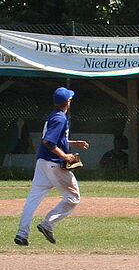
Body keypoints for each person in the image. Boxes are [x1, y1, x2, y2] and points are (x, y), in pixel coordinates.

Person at [15, 87, 89, 246]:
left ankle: (22, 234)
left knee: (33, 199)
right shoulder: (60, 118)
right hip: (54, 164)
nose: (70, 101)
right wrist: (65, 156)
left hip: (42, 163)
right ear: (67, 102)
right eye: (70, 99)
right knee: (73, 197)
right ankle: (48, 224)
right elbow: (48, 142)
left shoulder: (54, 116)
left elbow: (56, 139)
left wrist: (74, 143)